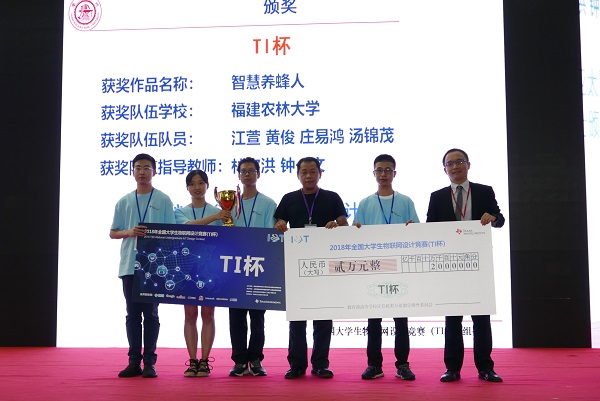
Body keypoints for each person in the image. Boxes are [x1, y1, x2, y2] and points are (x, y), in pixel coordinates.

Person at [426, 148, 505, 383]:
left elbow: (500, 219)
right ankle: (452, 368)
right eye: (450, 164)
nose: (455, 167)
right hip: (450, 267)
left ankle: (485, 368)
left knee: (481, 319)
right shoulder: (437, 197)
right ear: (445, 170)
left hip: (478, 265)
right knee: (452, 319)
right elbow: (430, 228)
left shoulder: (484, 191)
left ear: (468, 165)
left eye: (459, 161)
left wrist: (492, 218)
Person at [274, 156, 349, 379]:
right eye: (304, 172)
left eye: (313, 171)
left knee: (323, 319)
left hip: (325, 267)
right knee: (297, 319)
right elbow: (278, 224)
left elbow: (344, 224)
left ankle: (320, 364)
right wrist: (279, 224)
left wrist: (337, 225)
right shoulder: (289, 198)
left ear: (320, 173)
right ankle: (297, 365)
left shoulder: (332, 197)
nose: (308, 176)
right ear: (298, 174)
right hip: (296, 268)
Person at [110, 153, 176, 379]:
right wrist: (130, 232)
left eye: (146, 168)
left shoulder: (164, 200)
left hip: (154, 266)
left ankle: (149, 362)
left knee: (151, 314)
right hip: (130, 266)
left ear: (154, 171)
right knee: (132, 315)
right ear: (133, 171)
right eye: (138, 167)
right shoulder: (124, 201)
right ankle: (133, 362)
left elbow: (172, 232)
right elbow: (113, 232)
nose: (142, 172)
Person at [353, 154, 418, 381]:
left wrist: (412, 227)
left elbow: (417, 232)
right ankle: (374, 365)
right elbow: (355, 235)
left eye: (388, 170)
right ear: (374, 173)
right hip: (373, 268)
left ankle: (403, 365)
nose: (383, 174)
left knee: (401, 321)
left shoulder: (406, 201)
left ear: (394, 173)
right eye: (379, 170)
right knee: (373, 321)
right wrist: (356, 229)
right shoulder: (365, 203)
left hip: (400, 268)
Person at [175, 169, 231, 377]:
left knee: (208, 314)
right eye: (192, 184)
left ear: (207, 186)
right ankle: (192, 361)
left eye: (201, 183)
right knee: (190, 315)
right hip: (187, 270)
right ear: (187, 188)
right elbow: (188, 227)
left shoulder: (220, 211)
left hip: (210, 269)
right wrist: (215, 217)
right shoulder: (180, 212)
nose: (197, 187)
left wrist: (222, 216)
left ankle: (205, 361)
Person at [228, 157, 278, 377]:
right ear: (239, 175)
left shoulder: (268, 203)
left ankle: (256, 359)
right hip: (235, 268)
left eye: (251, 171)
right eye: (243, 171)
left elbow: (270, 235)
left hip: (259, 266)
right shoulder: (230, 204)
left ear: (258, 174)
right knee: (236, 317)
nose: (247, 174)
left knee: (258, 317)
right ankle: (239, 361)